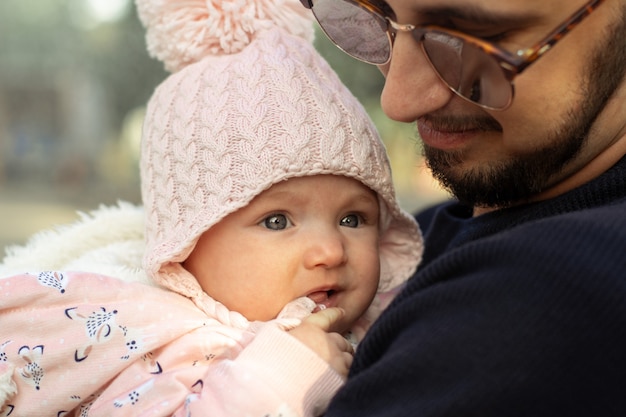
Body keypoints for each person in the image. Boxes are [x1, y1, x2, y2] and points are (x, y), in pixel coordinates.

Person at [0, 1, 422, 416]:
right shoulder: (157, 342)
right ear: (185, 245)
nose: (330, 251)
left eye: (353, 219)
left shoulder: (400, 322)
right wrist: (282, 377)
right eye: (277, 221)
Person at [299, 0, 626, 415]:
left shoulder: (545, 298)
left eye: (472, 39)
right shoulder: (418, 236)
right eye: (369, 15)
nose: (398, 100)